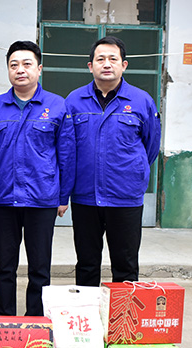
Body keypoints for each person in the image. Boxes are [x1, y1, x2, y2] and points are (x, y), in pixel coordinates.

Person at [0, 41, 75, 317]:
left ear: (39, 68)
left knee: (40, 268)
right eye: (14, 65)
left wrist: (62, 197)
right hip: (4, 200)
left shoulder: (57, 106)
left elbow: (67, 155)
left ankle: (36, 322)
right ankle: (4, 321)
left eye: (27, 64)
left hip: (42, 199)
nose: (20, 70)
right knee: (4, 267)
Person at [66, 36, 161, 286]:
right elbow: (67, 147)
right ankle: (88, 312)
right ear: (90, 66)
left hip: (125, 196)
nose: (106, 64)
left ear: (124, 65)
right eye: (100, 59)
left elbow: (151, 146)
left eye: (113, 59)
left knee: (126, 266)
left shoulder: (141, 101)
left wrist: (131, 172)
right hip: (85, 196)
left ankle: (123, 313)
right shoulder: (74, 101)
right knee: (86, 264)